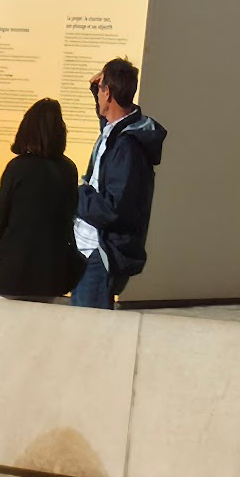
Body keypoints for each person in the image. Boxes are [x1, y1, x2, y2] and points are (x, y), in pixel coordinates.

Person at [72, 55, 165, 308]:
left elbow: (113, 208)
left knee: (89, 328)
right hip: (90, 250)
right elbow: (106, 119)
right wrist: (96, 89)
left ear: (109, 93)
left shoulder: (127, 147)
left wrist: (75, 194)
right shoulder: (116, 131)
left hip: (100, 254)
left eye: (102, 90)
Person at [0, 95, 77, 303]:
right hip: (51, 272)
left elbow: (0, 217)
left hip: (14, 268)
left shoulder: (17, 168)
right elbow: (70, 214)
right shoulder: (68, 169)